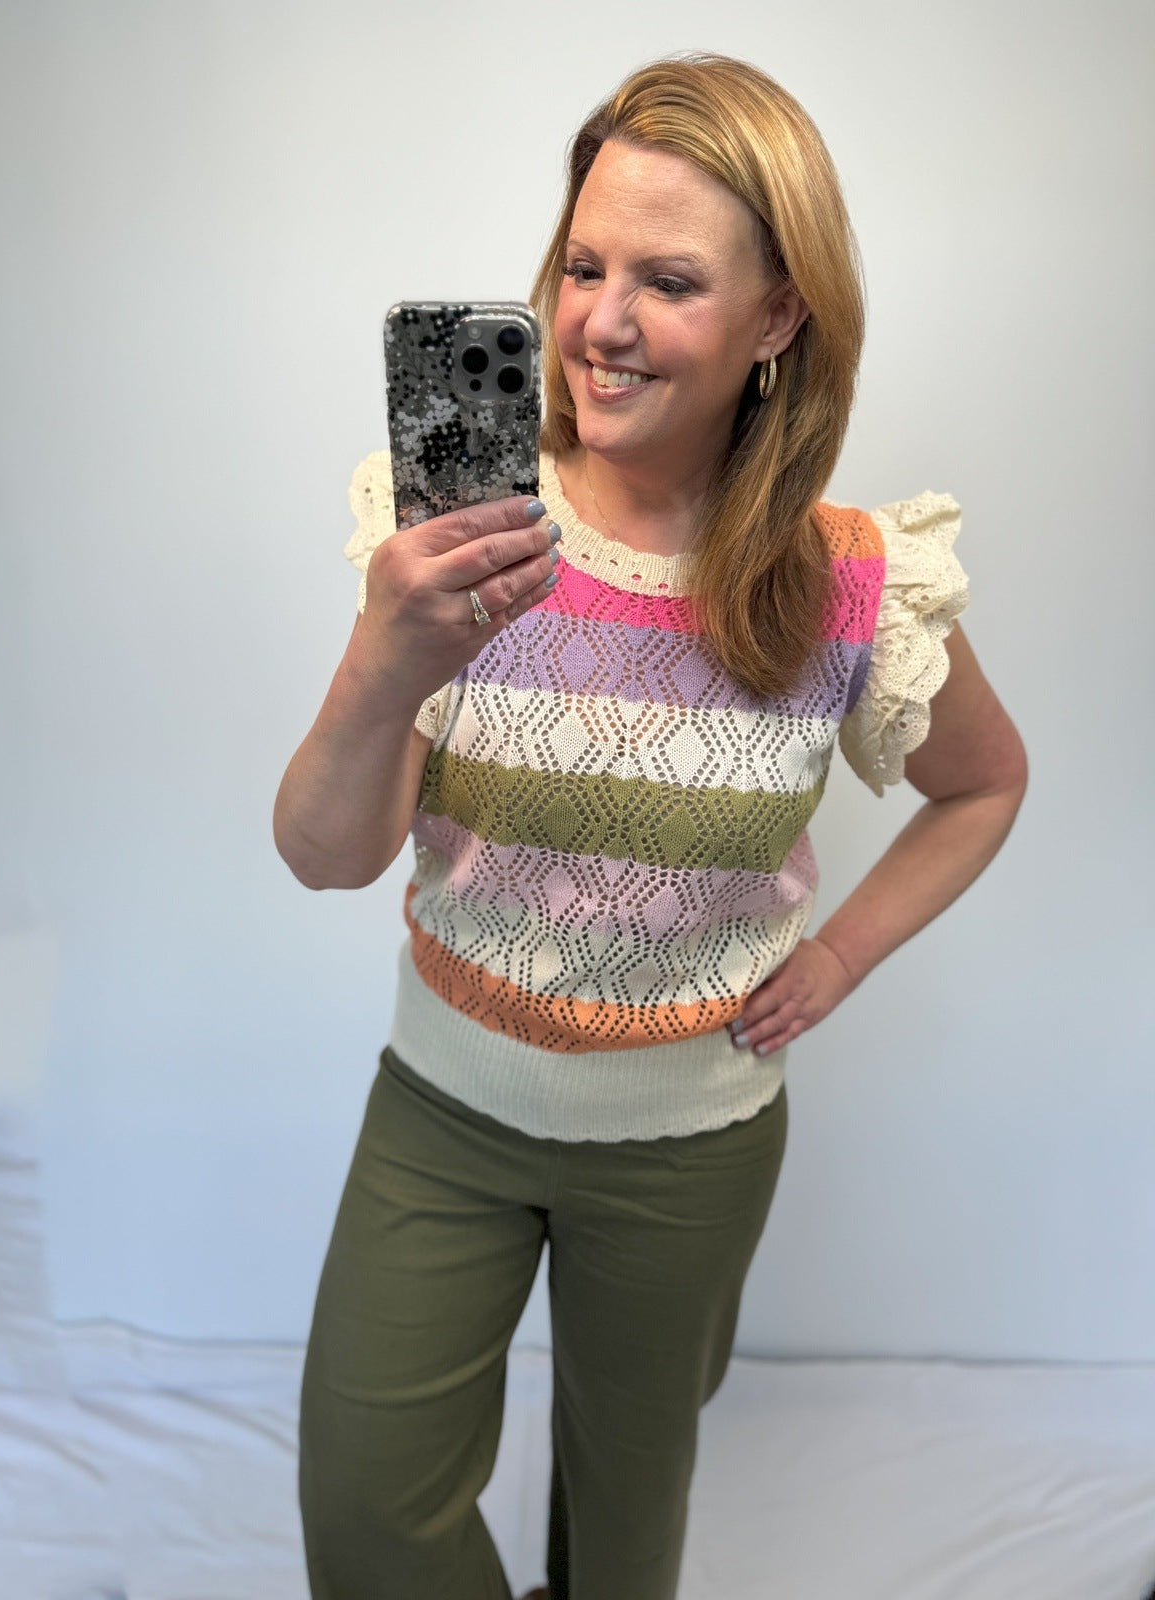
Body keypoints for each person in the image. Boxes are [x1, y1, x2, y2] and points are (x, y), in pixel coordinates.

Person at [272, 49, 1028, 1600]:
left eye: (668, 281)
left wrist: (840, 958)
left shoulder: (849, 584)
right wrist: (387, 654)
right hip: (443, 1116)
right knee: (367, 1510)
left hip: (688, 1154)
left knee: (623, 1537)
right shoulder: (455, 536)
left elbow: (985, 782)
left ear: (779, 317)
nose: (600, 323)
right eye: (583, 265)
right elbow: (326, 855)